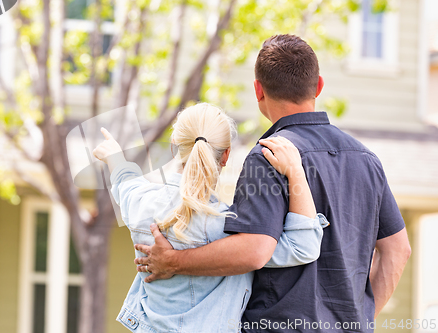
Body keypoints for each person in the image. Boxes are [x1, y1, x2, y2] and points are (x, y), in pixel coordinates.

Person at [134, 35, 411, 333]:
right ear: (318, 85)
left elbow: (254, 250)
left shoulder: (268, 155)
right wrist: (360, 320)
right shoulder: (366, 159)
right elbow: (398, 250)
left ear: (258, 90)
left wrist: (175, 261)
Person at [92, 102, 329, 333]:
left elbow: (126, 182)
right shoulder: (230, 228)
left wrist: (115, 157)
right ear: (226, 156)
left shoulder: (141, 203)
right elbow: (302, 246)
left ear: (174, 147)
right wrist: (295, 171)